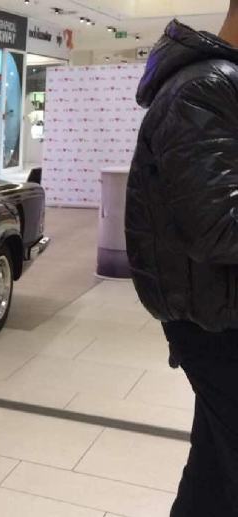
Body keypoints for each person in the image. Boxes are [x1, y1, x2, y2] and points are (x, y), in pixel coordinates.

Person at [126, 13, 238, 517]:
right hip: (217, 327)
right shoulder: (204, 87)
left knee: (213, 475)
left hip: (218, 316)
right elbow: (218, 227)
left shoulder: (215, 83)